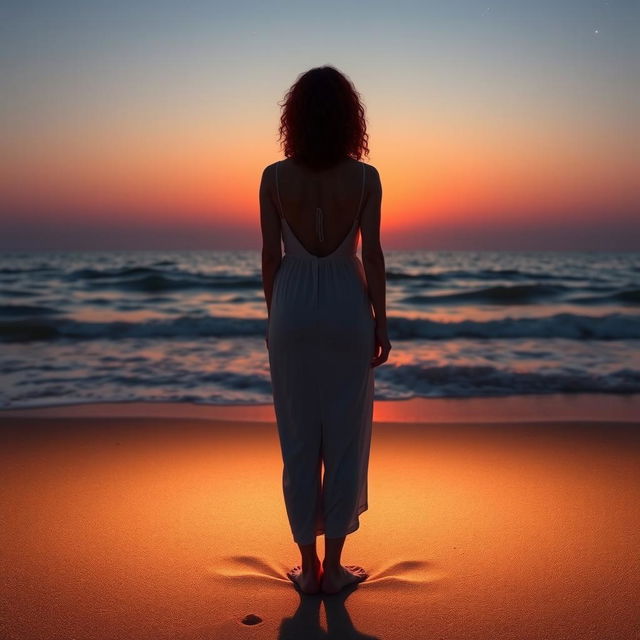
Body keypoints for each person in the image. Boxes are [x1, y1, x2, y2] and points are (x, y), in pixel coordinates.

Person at [260, 65, 391, 595]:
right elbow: (374, 254)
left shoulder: (273, 177)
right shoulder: (365, 178)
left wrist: (277, 316)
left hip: (291, 305)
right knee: (344, 438)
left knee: (297, 441)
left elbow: (271, 255)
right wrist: (382, 318)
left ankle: (308, 568)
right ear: (348, 118)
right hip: (345, 307)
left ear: (294, 117)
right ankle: (335, 568)